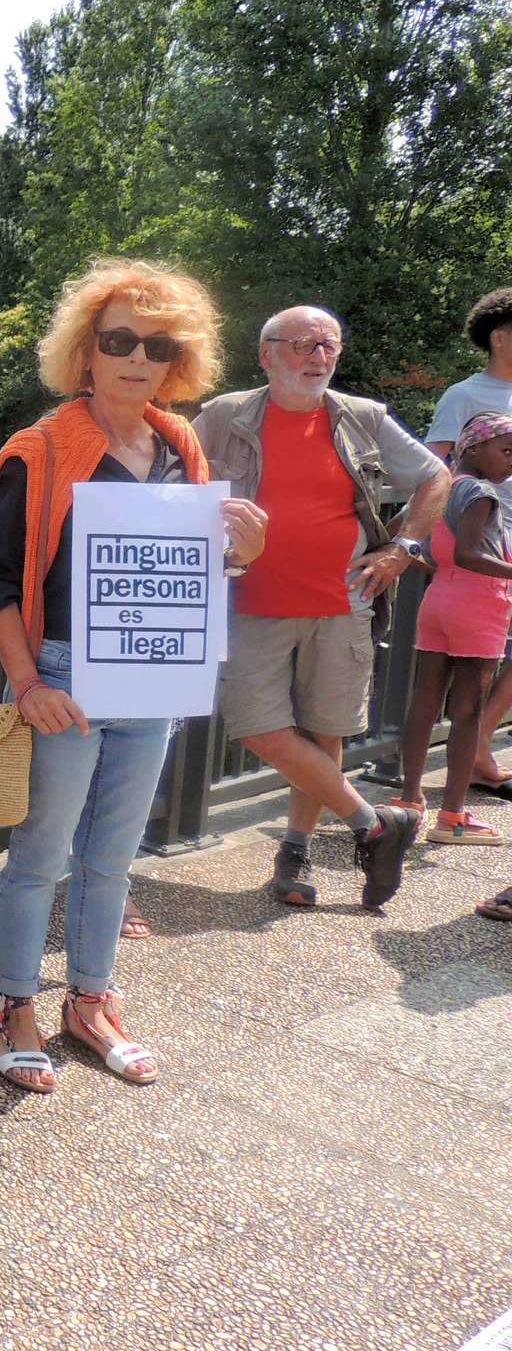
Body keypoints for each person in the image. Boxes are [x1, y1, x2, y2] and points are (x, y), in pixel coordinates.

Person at [0, 259, 266, 1094]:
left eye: (159, 343)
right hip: (63, 677)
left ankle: (91, 1001)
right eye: (119, 339)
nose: (138, 357)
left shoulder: (181, 448)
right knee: (39, 855)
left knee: (112, 857)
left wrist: (240, 548)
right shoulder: (40, 451)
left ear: (181, 360)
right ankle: (13, 1004)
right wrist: (28, 683)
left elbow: (192, 577)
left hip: (154, 681)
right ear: (86, 351)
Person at [193, 306, 444, 905]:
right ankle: (375, 823)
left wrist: (402, 549)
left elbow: (437, 476)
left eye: (329, 345)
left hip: (344, 602)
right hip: (249, 601)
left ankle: (296, 852)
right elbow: (168, 473)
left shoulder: (362, 418)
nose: (320, 356)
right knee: (254, 724)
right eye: (304, 344)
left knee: (323, 731)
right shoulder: (225, 416)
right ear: (267, 354)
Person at [393, 414, 512, 844]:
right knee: (468, 714)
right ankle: (454, 817)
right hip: (478, 604)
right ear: (475, 448)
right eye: (506, 450)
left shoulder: (441, 486)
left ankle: (409, 801)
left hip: (438, 598)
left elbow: (406, 541)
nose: (511, 461)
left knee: (424, 703)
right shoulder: (482, 493)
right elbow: (468, 554)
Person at [426, 288, 512, 789]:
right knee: (480, 653)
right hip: (483, 542)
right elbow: (433, 466)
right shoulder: (465, 395)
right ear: (500, 339)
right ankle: (472, 756)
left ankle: (479, 745)